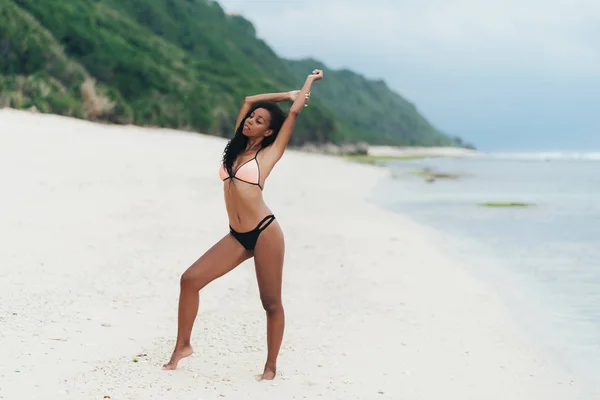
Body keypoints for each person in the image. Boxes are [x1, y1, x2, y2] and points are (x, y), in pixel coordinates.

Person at [162, 69, 324, 380]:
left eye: (260, 121)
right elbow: (249, 100)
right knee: (190, 280)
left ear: (268, 132)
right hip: (237, 236)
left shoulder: (268, 154)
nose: (251, 121)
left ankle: (270, 368)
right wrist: (284, 93)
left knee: (271, 302)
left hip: (265, 232)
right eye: (252, 118)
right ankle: (182, 346)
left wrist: (305, 85)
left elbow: (293, 114)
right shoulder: (236, 147)